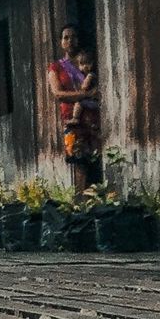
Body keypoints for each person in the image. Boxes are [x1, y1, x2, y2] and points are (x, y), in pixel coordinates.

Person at [47, 24, 99, 194]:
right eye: (66, 37)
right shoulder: (56, 67)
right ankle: (80, 202)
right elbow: (58, 94)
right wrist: (86, 95)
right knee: (79, 162)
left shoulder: (86, 63)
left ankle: (95, 201)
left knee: (95, 160)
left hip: (93, 117)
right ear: (61, 42)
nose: (70, 41)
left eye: (73, 37)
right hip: (73, 120)